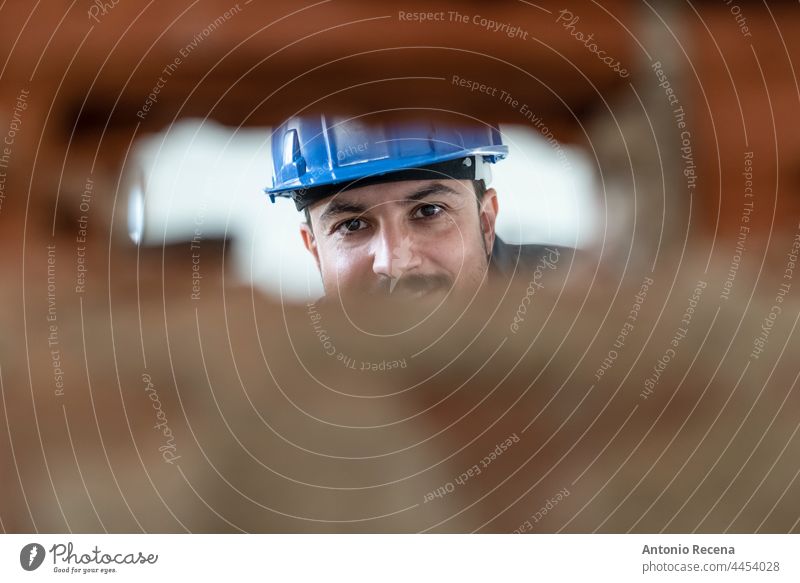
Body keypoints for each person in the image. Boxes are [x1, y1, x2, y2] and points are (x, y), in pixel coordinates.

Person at [265, 113, 562, 304]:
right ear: (315, 250)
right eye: (352, 225)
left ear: (486, 223)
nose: (394, 264)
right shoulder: (281, 371)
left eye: (429, 211)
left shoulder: (577, 305)